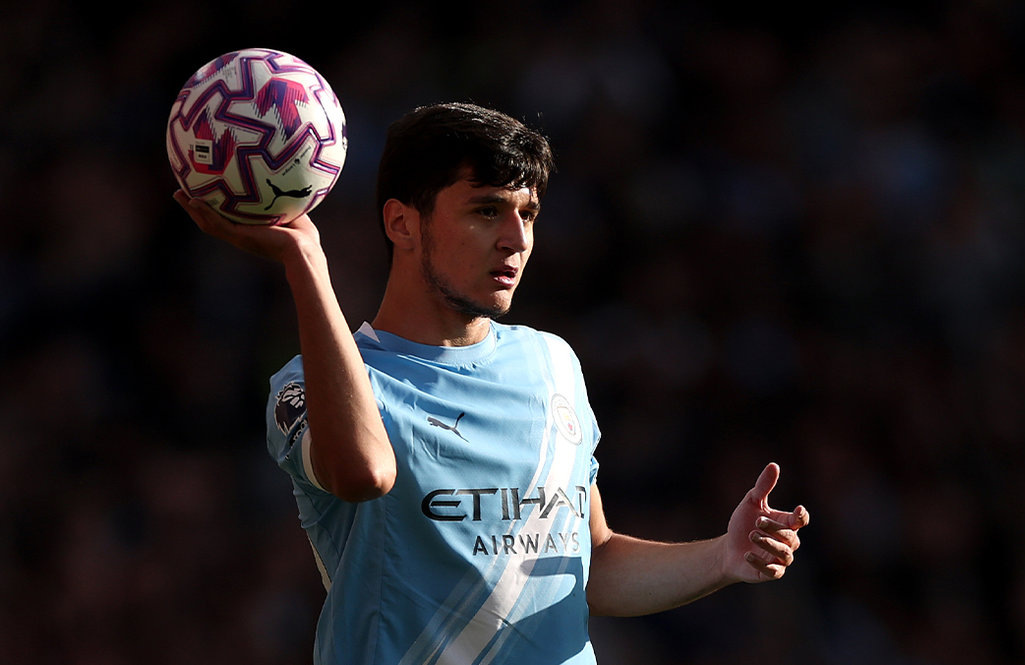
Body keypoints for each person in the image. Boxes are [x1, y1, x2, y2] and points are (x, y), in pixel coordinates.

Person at [173, 101, 810, 665]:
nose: (516, 239)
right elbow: (366, 473)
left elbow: (593, 563)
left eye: (527, 214)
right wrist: (306, 262)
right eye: (485, 210)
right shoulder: (308, 384)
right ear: (402, 224)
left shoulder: (551, 362)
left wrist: (722, 558)